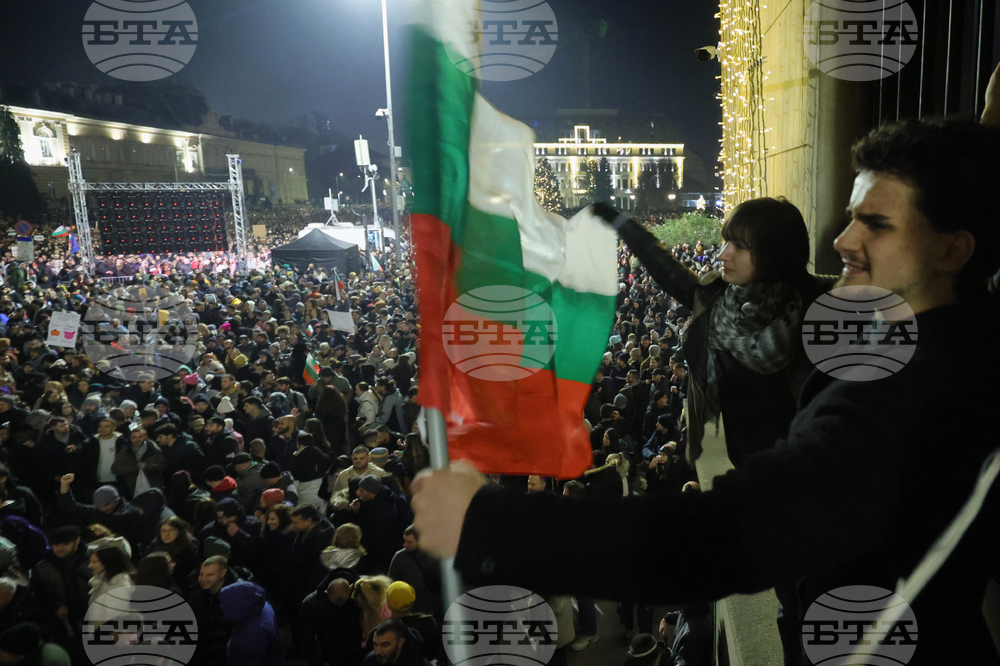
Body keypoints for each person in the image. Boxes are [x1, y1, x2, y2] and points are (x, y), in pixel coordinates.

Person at [410, 119, 1000, 666]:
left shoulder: (906, 390)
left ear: (953, 250)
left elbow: (726, 535)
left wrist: (490, 526)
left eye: (877, 223)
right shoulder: (950, 343)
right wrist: (621, 224)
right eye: (850, 216)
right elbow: (673, 275)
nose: (843, 239)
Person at [186, 556, 239, 666]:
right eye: (201, 574)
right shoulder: (196, 594)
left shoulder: (235, 597)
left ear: (223, 573)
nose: (203, 579)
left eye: (210, 575)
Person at [218, 581, 282, 666]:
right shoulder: (262, 606)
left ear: (238, 604)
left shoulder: (252, 635)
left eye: (226, 603)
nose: (221, 606)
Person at [387, 526, 442, 620]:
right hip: (409, 610)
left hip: (433, 609)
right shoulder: (400, 557)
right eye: (405, 540)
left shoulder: (435, 556)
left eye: (409, 542)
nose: (405, 544)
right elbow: (391, 584)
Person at [85, 545, 135, 626]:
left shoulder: (119, 586)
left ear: (108, 563)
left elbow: (115, 620)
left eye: (95, 562)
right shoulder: (102, 581)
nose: (89, 565)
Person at [362, 618, 431, 666]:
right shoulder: (371, 661)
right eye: (375, 645)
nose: (377, 652)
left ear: (400, 642)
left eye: (385, 645)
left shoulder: (420, 664)